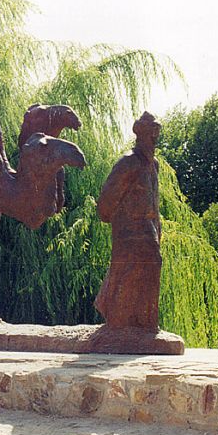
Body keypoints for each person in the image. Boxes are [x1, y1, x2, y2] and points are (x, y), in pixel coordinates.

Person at [94, 111, 162, 331]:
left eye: (157, 131)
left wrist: (157, 229)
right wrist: (121, 223)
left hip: (149, 230)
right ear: (140, 133)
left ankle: (144, 324)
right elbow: (106, 202)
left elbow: (155, 202)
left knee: (151, 269)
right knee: (126, 274)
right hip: (129, 231)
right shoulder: (128, 162)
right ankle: (120, 323)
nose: (155, 137)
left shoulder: (154, 165)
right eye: (151, 132)